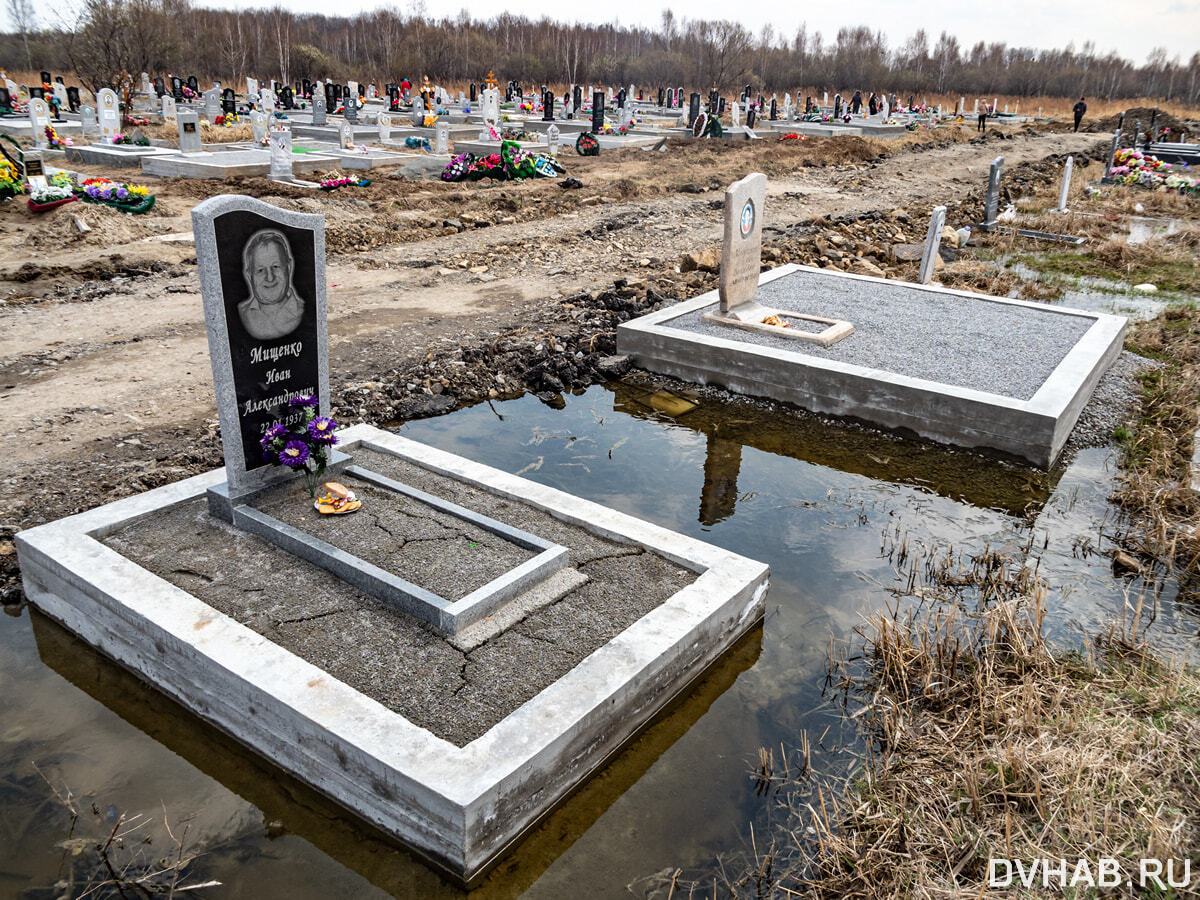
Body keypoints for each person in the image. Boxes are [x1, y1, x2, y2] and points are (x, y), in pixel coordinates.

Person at [237, 229, 305, 341]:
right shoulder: (239, 315)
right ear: (249, 275)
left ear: (288, 267)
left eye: (275, 267)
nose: (270, 278)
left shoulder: (304, 311)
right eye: (260, 270)